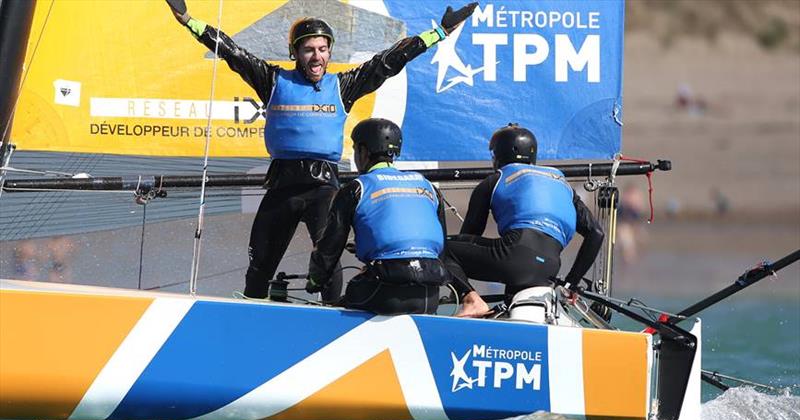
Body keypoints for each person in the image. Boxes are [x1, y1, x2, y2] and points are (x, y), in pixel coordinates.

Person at [166, 0, 478, 300]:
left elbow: (389, 61)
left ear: (329, 52)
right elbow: (233, 52)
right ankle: (250, 321)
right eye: (308, 50)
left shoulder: (342, 86)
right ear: (295, 53)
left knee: (328, 263)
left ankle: (331, 315)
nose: (316, 57)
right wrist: (188, 21)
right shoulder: (272, 80)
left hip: (324, 189)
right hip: (282, 187)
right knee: (259, 268)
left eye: (322, 49)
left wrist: (439, 33)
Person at [444, 123, 605, 317]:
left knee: (437, 248)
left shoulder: (495, 180)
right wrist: (571, 283)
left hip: (514, 256)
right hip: (549, 269)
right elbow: (596, 233)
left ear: (499, 156)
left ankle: (470, 301)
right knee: (514, 309)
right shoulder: (561, 182)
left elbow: (469, 236)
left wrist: (457, 283)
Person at [305, 118, 449, 315]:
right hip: (429, 295)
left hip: (384, 293)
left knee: (337, 308)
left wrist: (315, 280)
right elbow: (437, 246)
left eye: (356, 149)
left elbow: (330, 248)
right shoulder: (428, 185)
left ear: (364, 151)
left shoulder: (356, 187)